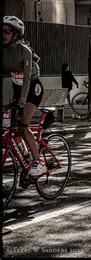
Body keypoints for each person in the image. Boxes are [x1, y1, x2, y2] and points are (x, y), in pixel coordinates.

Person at [3, 15, 45, 176]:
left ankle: (38, 161)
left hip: (32, 88)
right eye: (2, 31)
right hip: (17, 87)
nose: (3, 34)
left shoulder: (24, 51)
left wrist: (21, 104)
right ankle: (23, 150)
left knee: (23, 124)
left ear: (16, 34)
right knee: (9, 125)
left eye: (7, 31)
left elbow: (27, 80)